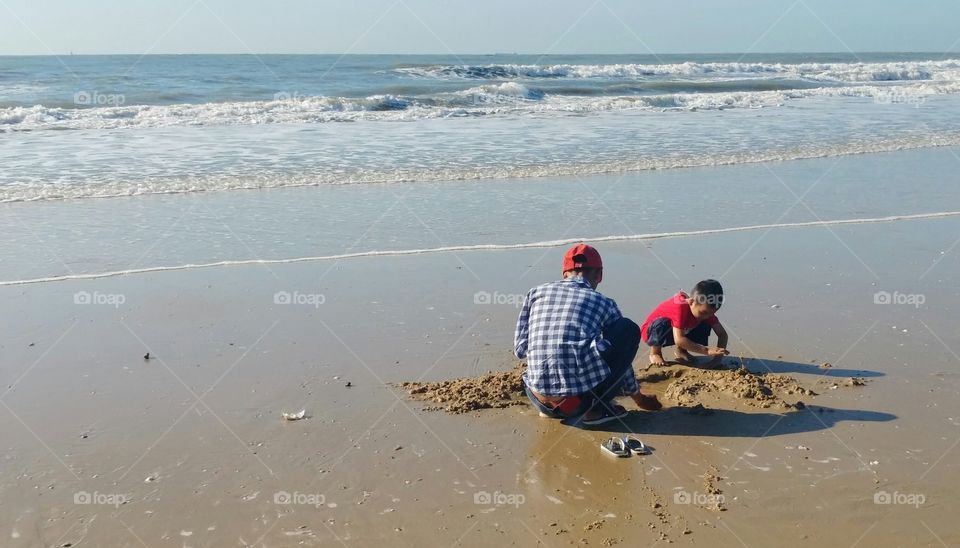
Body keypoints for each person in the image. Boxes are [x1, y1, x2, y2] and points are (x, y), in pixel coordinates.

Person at [514, 244, 661, 426]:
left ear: (564, 273)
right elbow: (622, 359)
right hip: (576, 405)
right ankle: (593, 412)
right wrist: (638, 397)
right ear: (599, 275)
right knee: (627, 329)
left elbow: (520, 349)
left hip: (537, 398)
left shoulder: (536, 293)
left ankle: (552, 407)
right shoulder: (605, 303)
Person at [641, 279, 730, 368]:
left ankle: (681, 350)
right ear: (691, 302)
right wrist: (707, 350)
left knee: (705, 323)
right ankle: (655, 352)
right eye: (703, 313)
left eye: (711, 313)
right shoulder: (680, 306)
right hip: (652, 332)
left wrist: (717, 360)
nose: (707, 316)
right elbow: (679, 340)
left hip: (680, 330)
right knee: (662, 324)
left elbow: (722, 335)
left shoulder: (706, 312)